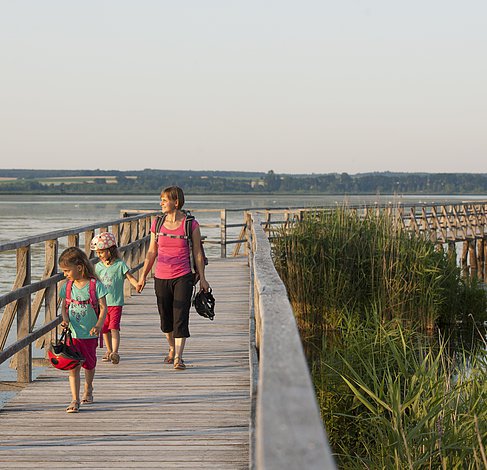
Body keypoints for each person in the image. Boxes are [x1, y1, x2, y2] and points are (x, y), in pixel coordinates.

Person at [136, 186, 210, 370]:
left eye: (164, 200)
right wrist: (143, 276)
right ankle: (171, 347)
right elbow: (152, 251)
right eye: (161, 199)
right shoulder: (157, 223)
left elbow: (198, 253)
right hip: (161, 276)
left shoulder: (191, 224)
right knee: (165, 318)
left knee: (180, 316)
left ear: (176, 202)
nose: (161, 203)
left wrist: (203, 278)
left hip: (183, 276)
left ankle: (178, 357)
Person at [58, 246, 108, 413]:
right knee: (73, 366)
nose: (65, 274)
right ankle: (74, 399)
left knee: (89, 364)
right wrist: (65, 319)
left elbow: (103, 307)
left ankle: (89, 387)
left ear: (79, 267)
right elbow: (64, 307)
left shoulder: (95, 285)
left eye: (67, 270)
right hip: (73, 333)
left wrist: (99, 325)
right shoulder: (67, 287)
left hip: (90, 334)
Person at [90, 232, 139, 364]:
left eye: (101, 252)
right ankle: (109, 350)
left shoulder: (119, 265)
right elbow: (94, 283)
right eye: (98, 253)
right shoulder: (98, 267)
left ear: (110, 250)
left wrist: (137, 285)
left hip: (116, 303)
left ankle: (115, 352)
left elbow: (129, 277)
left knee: (114, 327)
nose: (99, 255)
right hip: (102, 304)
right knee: (104, 328)